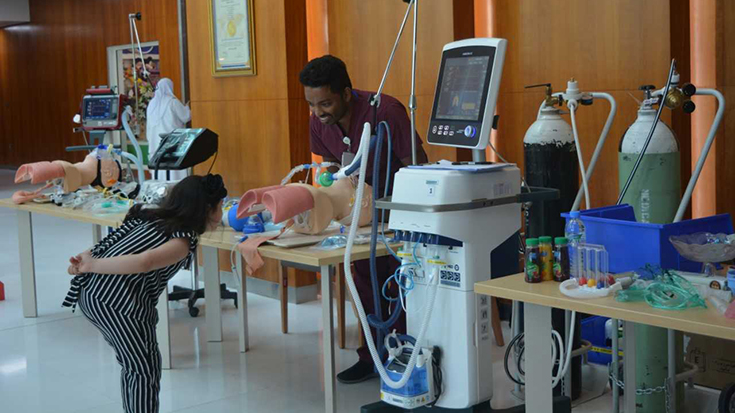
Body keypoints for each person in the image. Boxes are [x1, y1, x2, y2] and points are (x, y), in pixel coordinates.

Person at [299, 55, 429, 384]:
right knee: (363, 282)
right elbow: (332, 168)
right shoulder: (319, 122)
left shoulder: (384, 112)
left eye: (325, 103)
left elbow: (416, 164)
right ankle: (372, 356)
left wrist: (407, 215)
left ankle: (403, 358)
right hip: (359, 220)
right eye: (312, 105)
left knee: (398, 286)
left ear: (346, 93)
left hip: (399, 216)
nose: (318, 112)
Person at [62, 174, 227, 413]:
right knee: (143, 369)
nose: (222, 214)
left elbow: (113, 242)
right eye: (221, 206)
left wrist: (83, 261)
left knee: (135, 365)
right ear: (206, 209)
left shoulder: (151, 218)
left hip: (91, 293)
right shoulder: (181, 239)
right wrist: (90, 265)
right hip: (118, 302)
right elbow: (145, 262)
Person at [146, 78, 191, 181]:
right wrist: (187, 107)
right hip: (172, 142)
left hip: (156, 143)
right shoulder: (172, 102)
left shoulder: (152, 104)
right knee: (174, 171)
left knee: (160, 170)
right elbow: (185, 116)